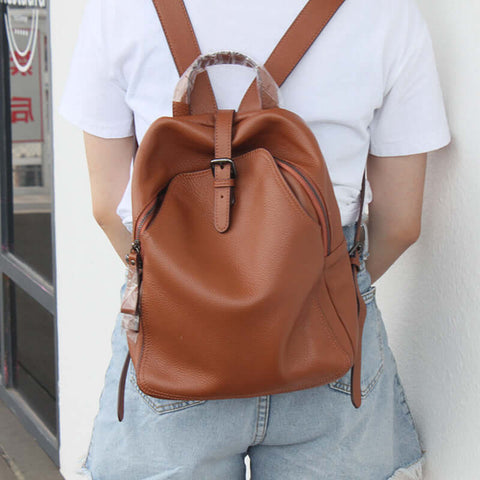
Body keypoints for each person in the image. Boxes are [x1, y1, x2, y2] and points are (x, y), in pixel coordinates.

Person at [59, 0, 451, 478]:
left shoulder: (119, 10)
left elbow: (107, 207)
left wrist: (187, 290)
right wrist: (307, 286)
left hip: (174, 341)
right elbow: (402, 221)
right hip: (328, 339)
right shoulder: (387, 12)